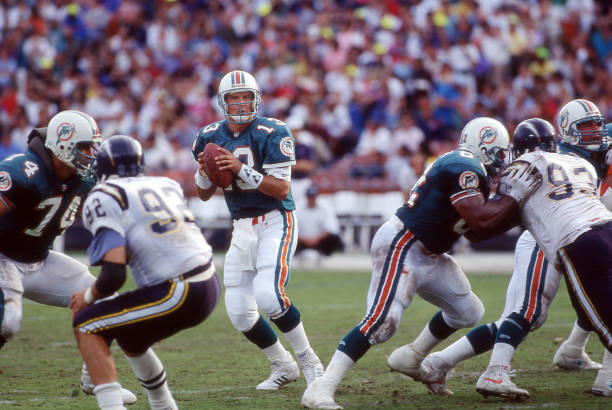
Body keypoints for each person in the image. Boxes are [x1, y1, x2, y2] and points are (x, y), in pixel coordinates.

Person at [303, 117, 525, 409]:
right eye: (498, 152)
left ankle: (414, 357)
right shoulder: (464, 164)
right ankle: (321, 387)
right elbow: (481, 221)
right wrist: (518, 200)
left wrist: (510, 207)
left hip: (430, 252)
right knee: (382, 323)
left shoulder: (471, 171)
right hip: (404, 243)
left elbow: (476, 232)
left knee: (468, 311)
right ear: (481, 145)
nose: (501, 160)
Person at [410, 118, 602, 399]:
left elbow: (481, 229)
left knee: (523, 319)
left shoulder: (538, 167)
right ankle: (495, 372)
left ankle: (439, 362)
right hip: (544, 237)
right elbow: (486, 225)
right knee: (525, 313)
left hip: (559, 235)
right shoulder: (563, 166)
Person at [191, 70, 324, 390]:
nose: (239, 103)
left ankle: (310, 361)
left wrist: (239, 169)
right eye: (233, 98)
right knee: (239, 313)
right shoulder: (208, 135)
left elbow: (280, 189)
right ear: (223, 102)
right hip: (240, 226)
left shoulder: (272, 130)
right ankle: (283, 365)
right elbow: (204, 194)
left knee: (269, 295)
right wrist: (205, 174)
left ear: (256, 98)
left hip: (275, 220)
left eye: (245, 97)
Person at [70, 135, 220, 410]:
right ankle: (164, 406)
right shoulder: (166, 184)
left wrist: (87, 296)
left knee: (88, 324)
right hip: (208, 281)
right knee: (131, 337)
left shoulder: (105, 194)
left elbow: (113, 275)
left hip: (178, 289)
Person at [476, 98, 612, 398]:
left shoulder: (575, 161)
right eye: (586, 126)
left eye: (596, 125)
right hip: (557, 235)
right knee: (527, 311)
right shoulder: (570, 162)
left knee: (536, 311)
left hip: (583, 231)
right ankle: (477, 368)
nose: (595, 132)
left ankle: (580, 357)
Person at [0, 111, 136, 404]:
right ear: (62, 144)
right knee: (8, 322)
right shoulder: (22, 170)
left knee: (104, 301)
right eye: (85, 147)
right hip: (4, 258)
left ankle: (95, 381)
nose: (91, 154)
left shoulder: (83, 180)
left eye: (92, 147)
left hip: (40, 259)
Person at [295, 185, 344, 262]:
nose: (311, 199)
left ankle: (327, 255)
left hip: (320, 241)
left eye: (313, 196)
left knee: (334, 238)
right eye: (309, 196)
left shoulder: (326, 206)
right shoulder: (297, 206)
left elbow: (331, 228)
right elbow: (291, 227)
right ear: (306, 196)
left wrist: (316, 239)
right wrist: (304, 239)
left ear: (317, 196)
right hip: (301, 240)